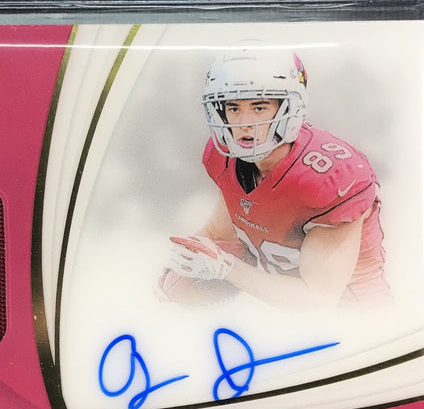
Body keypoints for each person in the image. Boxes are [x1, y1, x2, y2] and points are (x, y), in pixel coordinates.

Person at [162, 47, 389, 307]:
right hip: (276, 307)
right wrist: (183, 264)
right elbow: (220, 235)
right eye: (233, 107)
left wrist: (227, 268)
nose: (243, 123)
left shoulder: (329, 180)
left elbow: (318, 302)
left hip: (356, 315)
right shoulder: (226, 158)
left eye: (259, 107)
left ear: (290, 108)